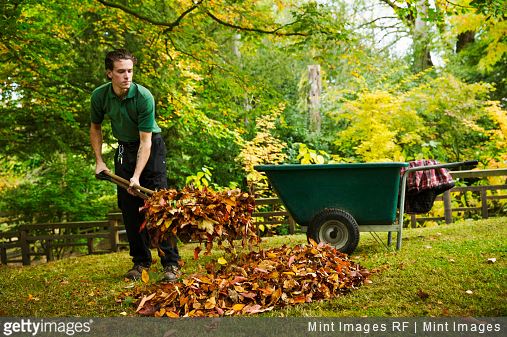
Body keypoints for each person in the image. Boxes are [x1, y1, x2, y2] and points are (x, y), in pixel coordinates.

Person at [90, 49, 181, 282]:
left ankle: (171, 264)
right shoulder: (100, 96)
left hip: (151, 147)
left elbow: (146, 141)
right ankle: (140, 263)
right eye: (121, 71)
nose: (127, 76)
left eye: (130, 71)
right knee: (129, 208)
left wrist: (137, 177)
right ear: (109, 73)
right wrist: (100, 161)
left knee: (159, 205)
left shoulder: (144, 97)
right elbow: (95, 128)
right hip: (123, 148)